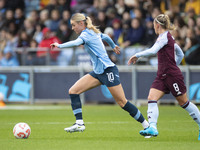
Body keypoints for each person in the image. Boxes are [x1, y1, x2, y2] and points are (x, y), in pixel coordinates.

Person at [51, 13, 149, 133]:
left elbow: (76, 43)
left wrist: (59, 45)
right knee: (73, 91)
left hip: (108, 71)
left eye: (73, 25)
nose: (72, 28)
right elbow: (106, 36)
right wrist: (113, 46)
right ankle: (79, 124)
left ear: (81, 23)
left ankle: (147, 126)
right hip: (98, 72)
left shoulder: (86, 34)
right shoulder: (92, 32)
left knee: (122, 102)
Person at [128, 14, 200, 140]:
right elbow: (180, 53)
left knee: (184, 102)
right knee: (151, 97)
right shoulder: (166, 37)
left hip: (172, 75)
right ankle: (153, 128)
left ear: (157, 25)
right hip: (162, 76)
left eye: (154, 24)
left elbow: (153, 50)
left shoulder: (165, 37)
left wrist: (137, 54)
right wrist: (174, 64)